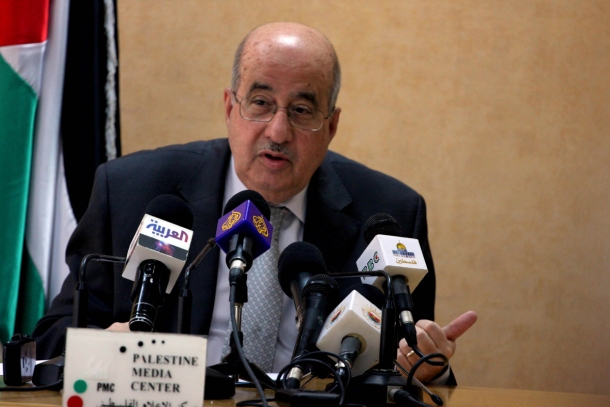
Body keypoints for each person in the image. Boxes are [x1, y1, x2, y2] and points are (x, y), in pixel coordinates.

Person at [33, 22, 476, 383]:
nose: (278, 132)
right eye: (261, 103)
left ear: (331, 126)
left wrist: (427, 365)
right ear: (230, 108)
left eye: (301, 110)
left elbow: (414, 358)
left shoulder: (390, 213)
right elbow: (53, 337)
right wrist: (101, 348)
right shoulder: (132, 191)